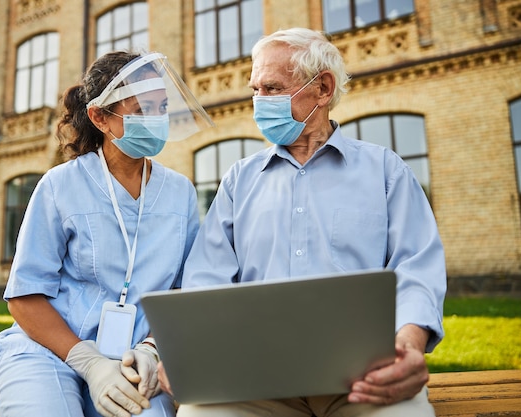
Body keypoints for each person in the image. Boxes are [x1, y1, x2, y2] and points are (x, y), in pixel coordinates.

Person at [159, 28, 447, 417]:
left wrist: (410, 345)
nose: (259, 101)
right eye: (255, 89)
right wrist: (191, 350)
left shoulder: (385, 171)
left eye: (272, 88)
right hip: (251, 377)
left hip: (365, 377)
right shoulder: (238, 180)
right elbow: (206, 278)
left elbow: (416, 269)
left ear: (323, 88)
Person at [0, 51, 212, 417]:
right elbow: (24, 298)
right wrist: (89, 363)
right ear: (100, 117)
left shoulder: (180, 192)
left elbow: (185, 291)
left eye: (161, 107)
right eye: (140, 110)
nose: (155, 120)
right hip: (46, 350)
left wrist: (153, 348)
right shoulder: (60, 185)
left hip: (131, 358)